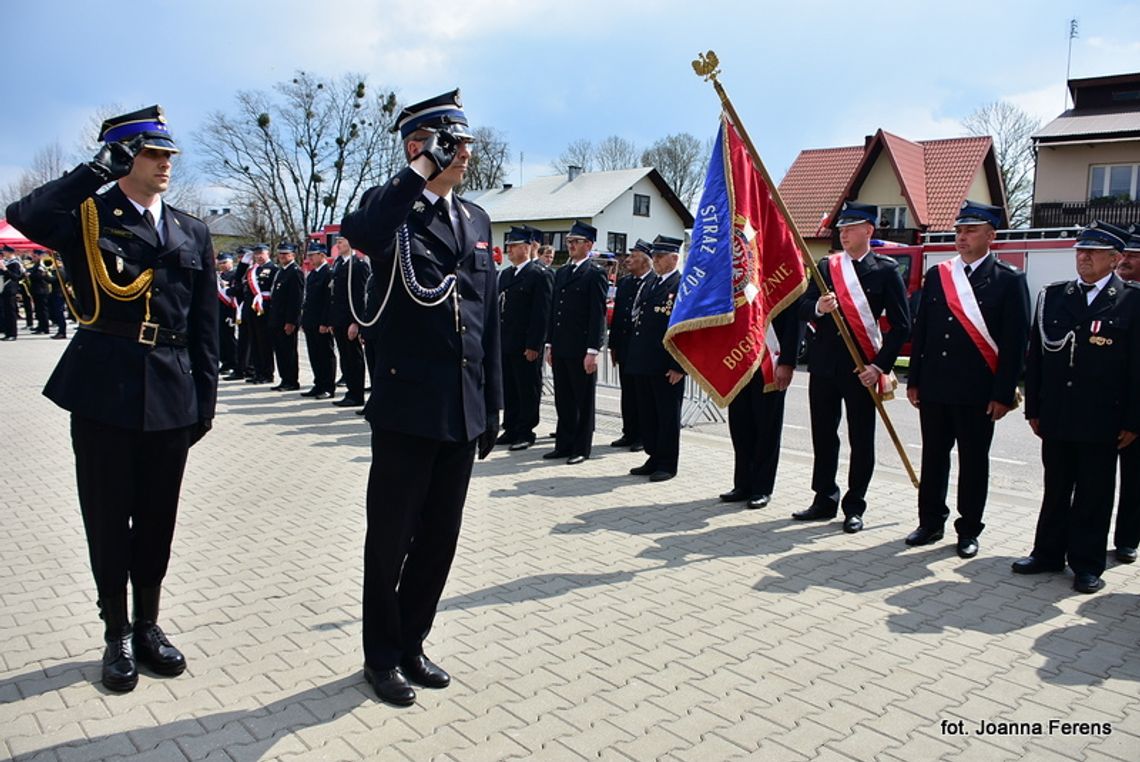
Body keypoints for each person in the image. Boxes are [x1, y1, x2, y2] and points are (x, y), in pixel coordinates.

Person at [6, 105, 218, 691]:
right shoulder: (88, 216)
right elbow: (23, 215)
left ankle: (149, 623)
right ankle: (116, 632)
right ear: (124, 156)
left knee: (157, 517)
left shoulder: (190, 230)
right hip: (105, 387)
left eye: (170, 154)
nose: (166, 164)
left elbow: (206, 325)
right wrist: (94, 170)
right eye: (153, 154)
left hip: (173, 390)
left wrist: (205, 400)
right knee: (106, 515)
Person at [339, 88, 501, 706]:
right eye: (450, 142)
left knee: (440, 537)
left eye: (465, 143)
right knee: (391, 536)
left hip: (462, 406)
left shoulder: (477, 219)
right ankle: (379, 656)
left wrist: (492, 403)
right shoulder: (395, 215)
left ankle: (412, 641)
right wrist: (419, 172)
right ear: (420, 146)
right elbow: (361, 230)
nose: (464, 153)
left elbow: (488, 320)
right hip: (409, 406)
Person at [1016, 221, 1140, 594]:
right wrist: (1033, 407)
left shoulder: (1131, 302)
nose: (1083, 258)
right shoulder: (1055, 296)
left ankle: (1087, 564)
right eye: (1080, 251)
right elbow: (1036, 357)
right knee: (1055, 487)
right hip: (1057, 413)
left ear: (1114, 258)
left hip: (1103, 417)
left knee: (1094, 492)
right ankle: (1048, 552)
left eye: (1093, 252)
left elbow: (1137, 369)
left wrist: (1134, 420)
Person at [904, 201, 1031, 558]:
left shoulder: (1009, 280)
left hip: (977, 391)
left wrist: (1003, 394)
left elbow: (1014, 341)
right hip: (936, 387)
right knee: (934, 458)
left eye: (971, 230)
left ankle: (969, 529)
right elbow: (924, 330)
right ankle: (930, 522)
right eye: (959, 231)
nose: (961, 236)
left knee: (973, 462)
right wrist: (915, 380)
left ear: (991, 236)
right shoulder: (939, 275)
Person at [794, 201, 910, 533]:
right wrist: (818, 305)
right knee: (823, 435)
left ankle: (854, 505)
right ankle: (823, 498)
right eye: (841, 229)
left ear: (868, 231)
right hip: (824, 366)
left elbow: (902, 326)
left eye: (850, 228)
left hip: (862, 368)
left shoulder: (886, 271)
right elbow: (801, 308)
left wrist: (879, 366)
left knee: (861, 438)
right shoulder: (827, 266)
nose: (843, 234)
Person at [721, 307, 803, 509]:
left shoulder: (784, 275)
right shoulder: (741, 275)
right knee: (740, 425)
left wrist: (788, 362)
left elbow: (796, 321)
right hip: (740, 357)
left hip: (772, 362)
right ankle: (743, 484)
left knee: (767, 428)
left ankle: (762, 488)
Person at [544, 221, 608, 465]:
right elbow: (554, 311)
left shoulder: (594, 273)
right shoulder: (562, 272)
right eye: (569, 242)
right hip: (561, 346)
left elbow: (596, 314)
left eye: (575, 242)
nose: (570, 245)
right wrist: (550, 344)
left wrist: (593, 350)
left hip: (581, 348)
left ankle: (581, 447)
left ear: (589, 245)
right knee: (564, 399)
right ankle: (564, 444)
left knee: (582, 399)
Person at [625, 235, 686, 481]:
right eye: (655, 257)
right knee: (648, 413)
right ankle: (653, 455)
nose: (656, 261)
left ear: (674, 258)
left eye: (661, 257)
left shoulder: (681, 285)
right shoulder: (650, 283)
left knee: (667, 415)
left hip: (666, 365)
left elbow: (684, 329)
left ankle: (667, 463)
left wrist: (678, 366)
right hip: (644, 361)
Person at [497, 226, 553, 450]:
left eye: (513, 246)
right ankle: (510, 427)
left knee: (527, 387)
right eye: (509, 246)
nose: (509, 250)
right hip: (506, 340)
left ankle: (525, 430)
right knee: (510, 386)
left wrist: (534, 344)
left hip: (526, 343)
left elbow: (541, 313)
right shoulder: (507, 274)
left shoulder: (539, 274)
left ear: (526, 248)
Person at [608, 239, 653, 451]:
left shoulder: (652, 282)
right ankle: (629, 432)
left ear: (645, 260)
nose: (628, 260)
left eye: (633, 256)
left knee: (642, 396)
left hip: (642, 351)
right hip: (625, 348)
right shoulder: (626, 283)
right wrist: (613, 345)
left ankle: (643, 436)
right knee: (628, 393)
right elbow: (618, 317)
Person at [1113, 224, 1140, 564]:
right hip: (1106, 401)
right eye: (1125, 255)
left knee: (1135, 480)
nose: (1126, 260)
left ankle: (1127, 538)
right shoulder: (1114, 294)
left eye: (1134, 255)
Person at [323, 236, 369, 408]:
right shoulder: (338, 264)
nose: (338, 245)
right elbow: (334, 295)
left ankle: (357, 394)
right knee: (345, 357)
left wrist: (356, 322)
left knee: (353, 357)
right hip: (339, 319)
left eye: (341, 241)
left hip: (350, 320)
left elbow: (359, 296)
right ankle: (350, 391)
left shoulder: (359, 265)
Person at [300, 242, 337, 399]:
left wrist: (325, 322)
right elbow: (309, 299)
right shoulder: (313, 273)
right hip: (310, 321)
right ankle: (318, 383)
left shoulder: (328, 273)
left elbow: (328, 301)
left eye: (312, 255)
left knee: (325, 355)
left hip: (321, 322)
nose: (309, 259)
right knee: (314, 354)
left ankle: (328, 386)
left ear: (322, 256)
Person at [269, 242, 304, 392]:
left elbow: (296, 299)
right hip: (277, 318)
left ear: (293, 255)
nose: (282, 256)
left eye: (286, 254)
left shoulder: (295, 272)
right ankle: (284, 379)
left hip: (286, 320)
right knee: (280, 351)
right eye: (281, 253)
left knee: (288, 351)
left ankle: (291, 380)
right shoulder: (281, 271)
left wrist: (291, 321)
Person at [244, 243, 277, 385]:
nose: (258, 257)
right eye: (256, 254)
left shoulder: (273, 269)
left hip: (265, 309)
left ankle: (267, 373)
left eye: (261, 254)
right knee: (255, 342)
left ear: (267, 254)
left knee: (265, 343)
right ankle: (258, 372)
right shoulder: (253, 270)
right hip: (253, 309)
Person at [216, 253, 238, 373]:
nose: (222, 266)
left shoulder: (234, 275)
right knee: (221, 337)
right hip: (219, 310)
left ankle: (233, 362)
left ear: (231, 262)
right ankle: (225, 361)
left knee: (229, 338)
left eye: (225, 263)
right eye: (220, 263)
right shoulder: (219, 276)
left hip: (229, 309)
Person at [26, 248, 52, 334]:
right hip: (36, 290)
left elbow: (41, 276)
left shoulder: (42, 265)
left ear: (40, 256)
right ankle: (40, 326)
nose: (33, 258)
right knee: (38, 310)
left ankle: (45, 328)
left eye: (35, 256)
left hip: (41, 290)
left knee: (42, 310)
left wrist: (30, 275)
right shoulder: (36, 265)